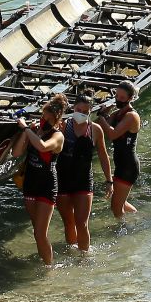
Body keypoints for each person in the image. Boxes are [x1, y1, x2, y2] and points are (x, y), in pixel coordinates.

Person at [13, 94, 67, 265]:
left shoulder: (58, 136)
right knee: (36, 230)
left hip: (47, 185)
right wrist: (27, 132)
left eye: (47, 119)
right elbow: (16, 153)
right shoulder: (36, 131)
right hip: (30, 183)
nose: (43, 120)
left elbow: (42, 146)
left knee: (41, 232)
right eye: (43, 116)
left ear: (56, 120)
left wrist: (26, 130)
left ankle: (49, 267)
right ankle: (44, 261)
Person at [54, 95, 111, 252]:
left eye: (85, 111)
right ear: (73, 108)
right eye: (78, 110)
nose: (81, 113)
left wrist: (109, 181)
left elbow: (103, 156)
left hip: (84, 179)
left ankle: (84, 257)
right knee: (69, 222)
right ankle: (72, 251)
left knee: (82, 223)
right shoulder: (64, 126)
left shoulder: (95, 129)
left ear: (90, 111)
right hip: (63, 179)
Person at [97, 80, 142, 222]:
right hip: (121, 163)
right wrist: (104, 114)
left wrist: (102, 117)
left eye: (122, 98)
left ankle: (123, 229)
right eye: (117, 96)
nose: (118, 100)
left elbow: (112, 134)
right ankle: (137, 218)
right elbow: (104, 126)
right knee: (118, 201)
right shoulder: (117, 113)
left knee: (116, 207)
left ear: (130, 98)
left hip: (128, 166)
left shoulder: (131, 116)